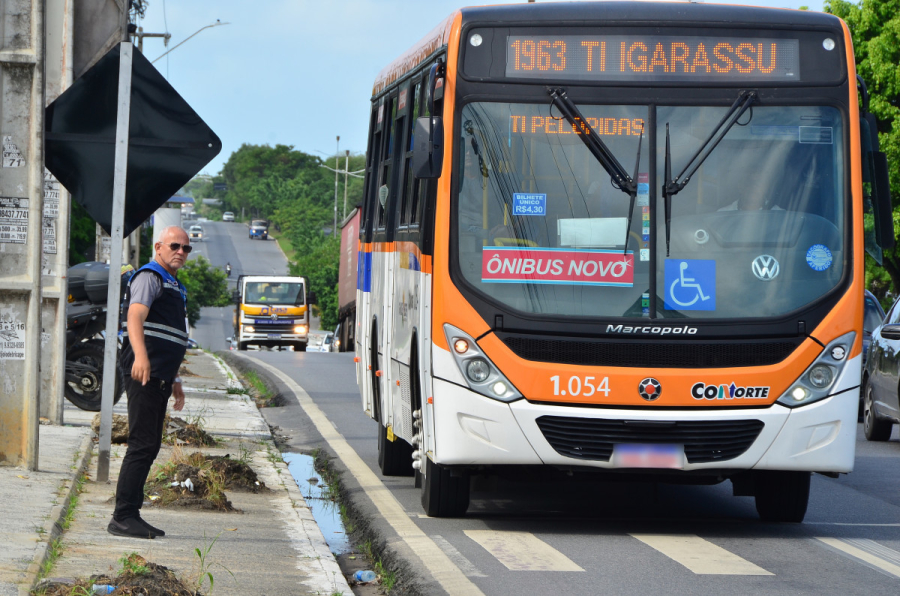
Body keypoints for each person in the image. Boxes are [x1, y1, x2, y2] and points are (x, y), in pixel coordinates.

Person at [108, 226, 191, 539]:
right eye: (175, 246)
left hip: (161, 375)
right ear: (159, 247)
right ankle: (122, 516)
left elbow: (172, 336)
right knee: (141, 445)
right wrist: (141, 357)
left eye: (186, 248)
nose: (180, 252)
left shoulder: (173, 284)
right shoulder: (150, 276)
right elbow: (134, 317)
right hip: (145, 371)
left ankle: (132, 513)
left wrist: (177, 378)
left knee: (149, 445)